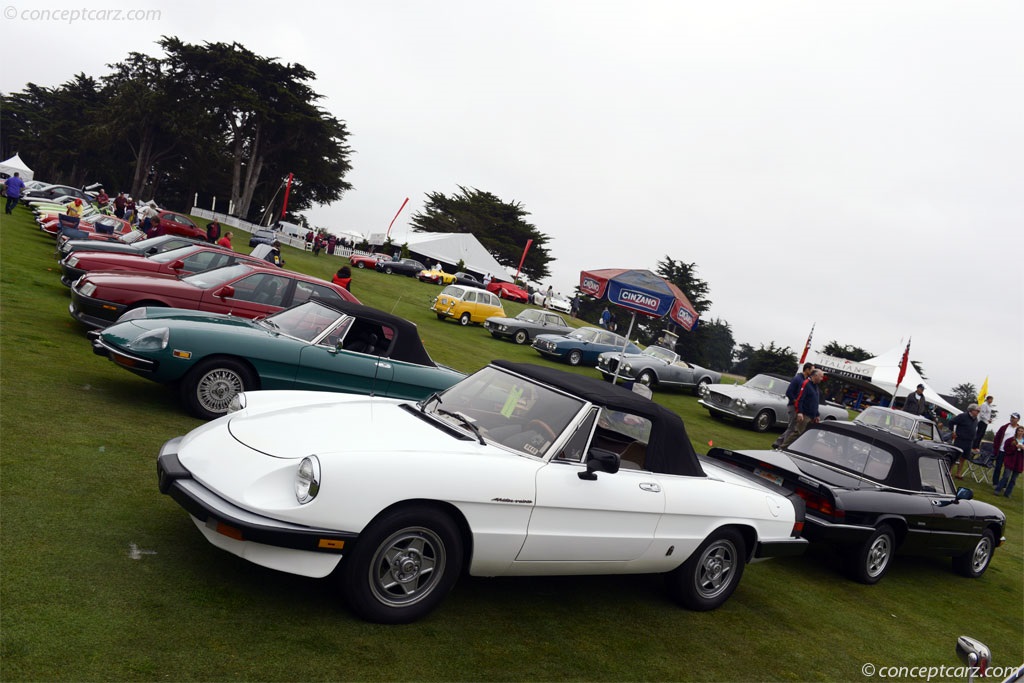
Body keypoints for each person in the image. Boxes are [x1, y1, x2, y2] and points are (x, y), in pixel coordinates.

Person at [779, 368, 825, 449]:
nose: (822, 379)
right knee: (797, 432)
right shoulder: (806, 384)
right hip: (805, 414)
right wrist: (800, 412)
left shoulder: (816, 387)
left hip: (812, 416)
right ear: (816, 376)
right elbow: (800, 399)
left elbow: (815, 402)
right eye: (821, 377)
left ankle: (799, 449)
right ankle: (782, 448)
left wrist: (817, 414)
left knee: (807, 434)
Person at [774, 363, 816, 449]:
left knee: (792, 426)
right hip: (793, 406)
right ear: (807, 369)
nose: (813, 372)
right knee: (792, 428)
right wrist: (796, 402)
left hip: (797, 407)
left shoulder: (805, 380)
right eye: (812, 370)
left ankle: (778, 442)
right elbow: (789, 392)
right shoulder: (797, 379)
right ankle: (784, 446)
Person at [950, 404, 980, 479]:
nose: (978, 412)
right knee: (955, 456)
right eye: (977, 411)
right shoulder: (963, 416)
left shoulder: (976, 419)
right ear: (971, 410)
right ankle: (949, 471)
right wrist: (953, 432)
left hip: (969, 441)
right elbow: (951, 422)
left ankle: (958, 473)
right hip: (960, 439)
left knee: (963, 458)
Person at [990, 412, 1020, 487]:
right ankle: (995, 483)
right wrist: (996, 447)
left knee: (1007, 470)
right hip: (1001, 450)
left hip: (1011, 452)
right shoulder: (1004, 427)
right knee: (998, 467)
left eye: (1014, 418)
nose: (1012, 419)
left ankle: (1003, 484)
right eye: (1011, 417)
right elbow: (997, 437)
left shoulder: (1019, 430)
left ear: (1018, 420)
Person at [992, 426, 1024, 498]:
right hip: (1010, 461)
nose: (1020, 432)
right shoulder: (1010, 440)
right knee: (1006, 476)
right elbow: (1006, 450)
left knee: (1013, 479)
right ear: (1016, 431)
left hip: (1019, 463)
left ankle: (1008, 493)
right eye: (1019, 431)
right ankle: (998, 490)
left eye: (1022, 431)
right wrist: (1015, 447)